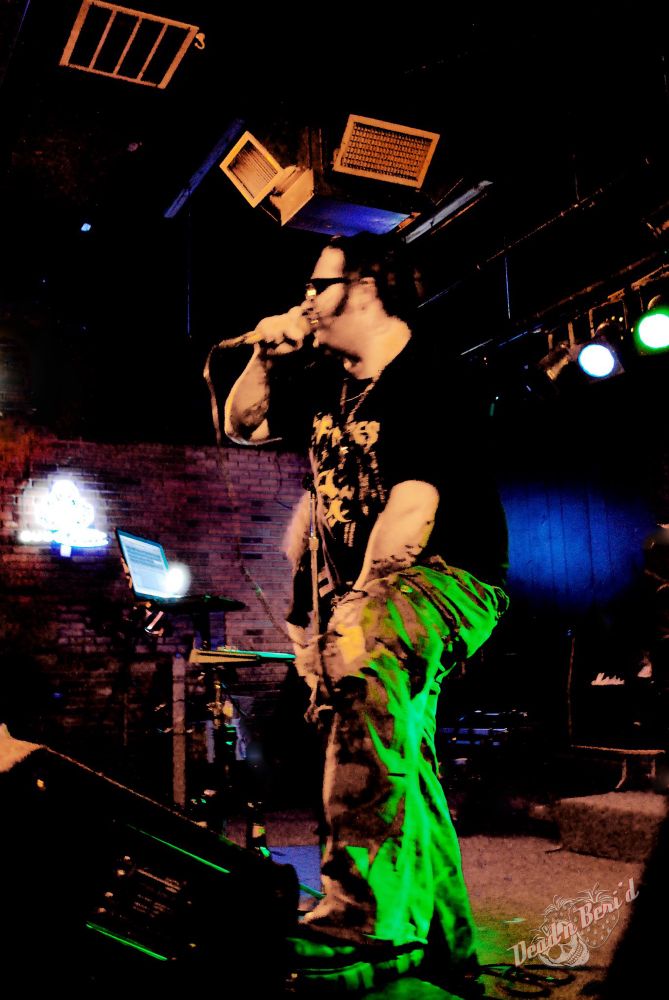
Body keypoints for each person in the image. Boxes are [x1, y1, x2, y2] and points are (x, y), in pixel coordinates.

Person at [223, 232, 509, 993]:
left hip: (445, 580)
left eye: (320, 286)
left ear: (370, 286)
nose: (306, 300)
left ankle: (358, 909)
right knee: (398, 755)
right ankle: (448, 954)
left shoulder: (431, 378)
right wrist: (266, 356)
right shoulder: (323, 380)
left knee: (369, 671)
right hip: (360, 602)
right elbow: (240, 425)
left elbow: (413, 509)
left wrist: (351, 615)